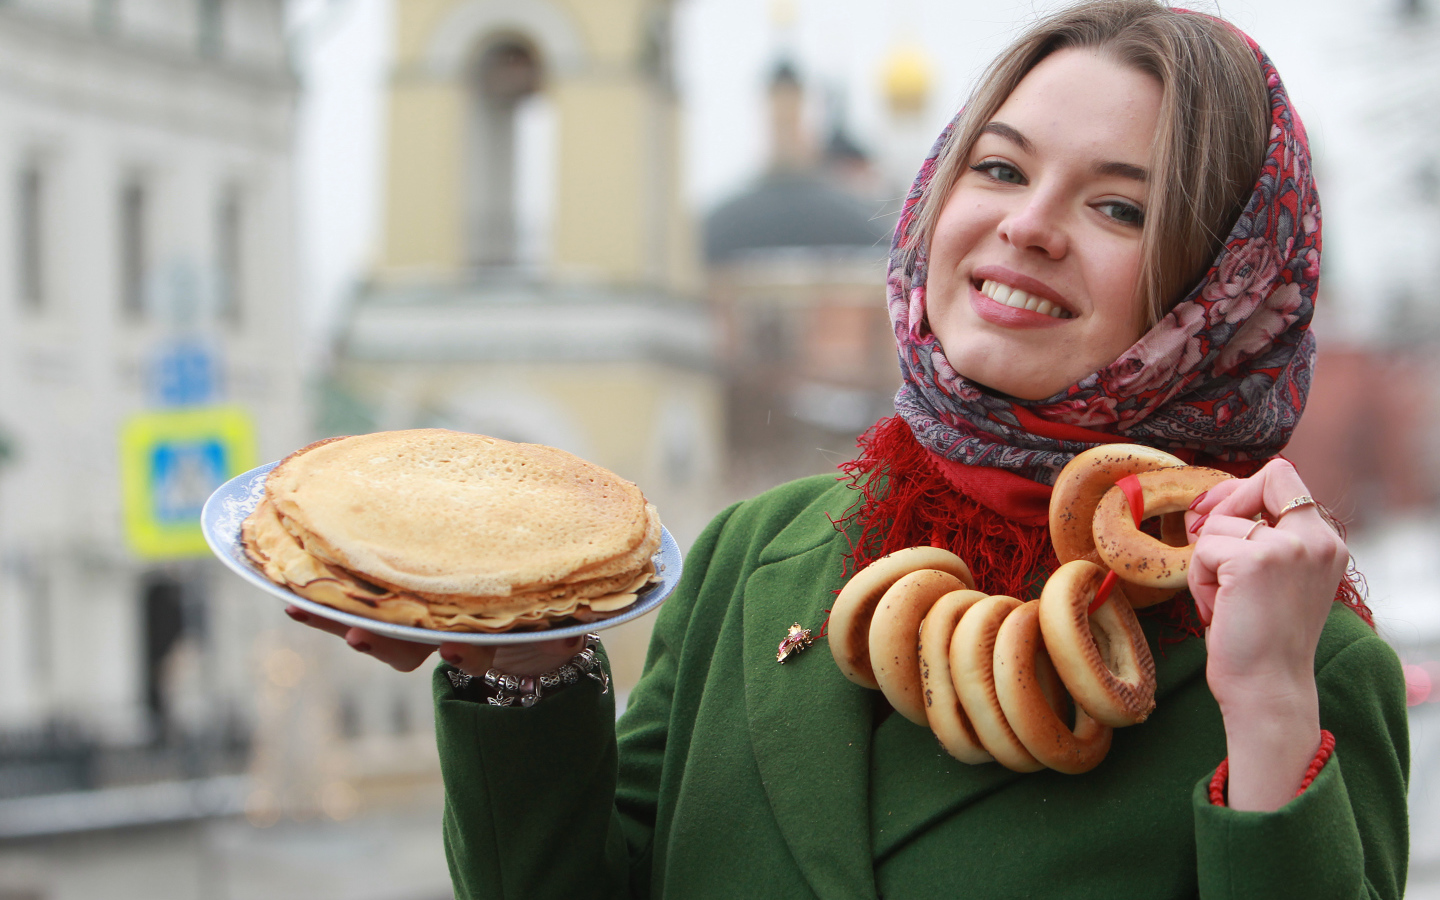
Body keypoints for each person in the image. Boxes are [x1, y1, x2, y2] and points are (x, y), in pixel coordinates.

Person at [289, 1, 1409, 896]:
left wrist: (1263, 704)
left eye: (1120, 208)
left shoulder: (1287, 652)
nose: (1027, 224)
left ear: (1224, 290)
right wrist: (517, 665)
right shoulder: (753, 556)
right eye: (1002, 168)